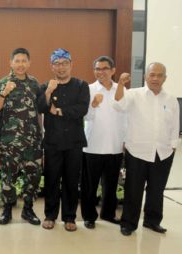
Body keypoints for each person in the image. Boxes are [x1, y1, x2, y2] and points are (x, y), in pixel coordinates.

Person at [114, 62, 179, 236]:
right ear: (146, 77)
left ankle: (152, 221)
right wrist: (120, 84)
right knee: (133, 189)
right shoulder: (134, 94)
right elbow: (118, 105)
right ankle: (128, 223)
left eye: (159, 75)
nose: (155, 78)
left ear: (165, 78)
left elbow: (174, 124)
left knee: (157, 190)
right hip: (137, 151)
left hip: (163, 152)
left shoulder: (171, 99)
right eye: (152, 74)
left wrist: (173, 146)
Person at [38, 48, 89, 232]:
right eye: (57, 64)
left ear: (71, 65)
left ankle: (69, 217)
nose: (61, 68)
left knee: (71, 181)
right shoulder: (46, 86)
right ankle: (50, 215)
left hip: (74, 142)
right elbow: (41, 107)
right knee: (51, 180)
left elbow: (82, 109)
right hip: (52, 142)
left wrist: (59, 111)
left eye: (64, 63)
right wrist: (48, 92)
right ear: (52, 66)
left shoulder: (81, 85)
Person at [0, 48, 43, 226]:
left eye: (24, 61)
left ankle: (28, 209)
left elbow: (39, 112)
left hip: (32, 141)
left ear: (29, 63)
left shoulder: (35, 84)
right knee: (8, 177)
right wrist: (4, 92)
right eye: (17, 61)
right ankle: (7, 209)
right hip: (10, 141)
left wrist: (40, 135)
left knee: (33, 177)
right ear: (10, 63)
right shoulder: (3, 82)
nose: (20, 64)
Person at [80, 56, 126, 229]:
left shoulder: (121, 90)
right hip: (92, 145)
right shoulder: (89, 89)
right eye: (97, 69)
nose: (101, 72)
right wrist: (93, 104)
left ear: (113, 71)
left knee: (111, 185)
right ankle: (89, 216)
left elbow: (126, 117)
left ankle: (108, 214)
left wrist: (125, 139)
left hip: (114, 146)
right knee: (89, 186)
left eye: (105, 68)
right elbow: (85, 116)